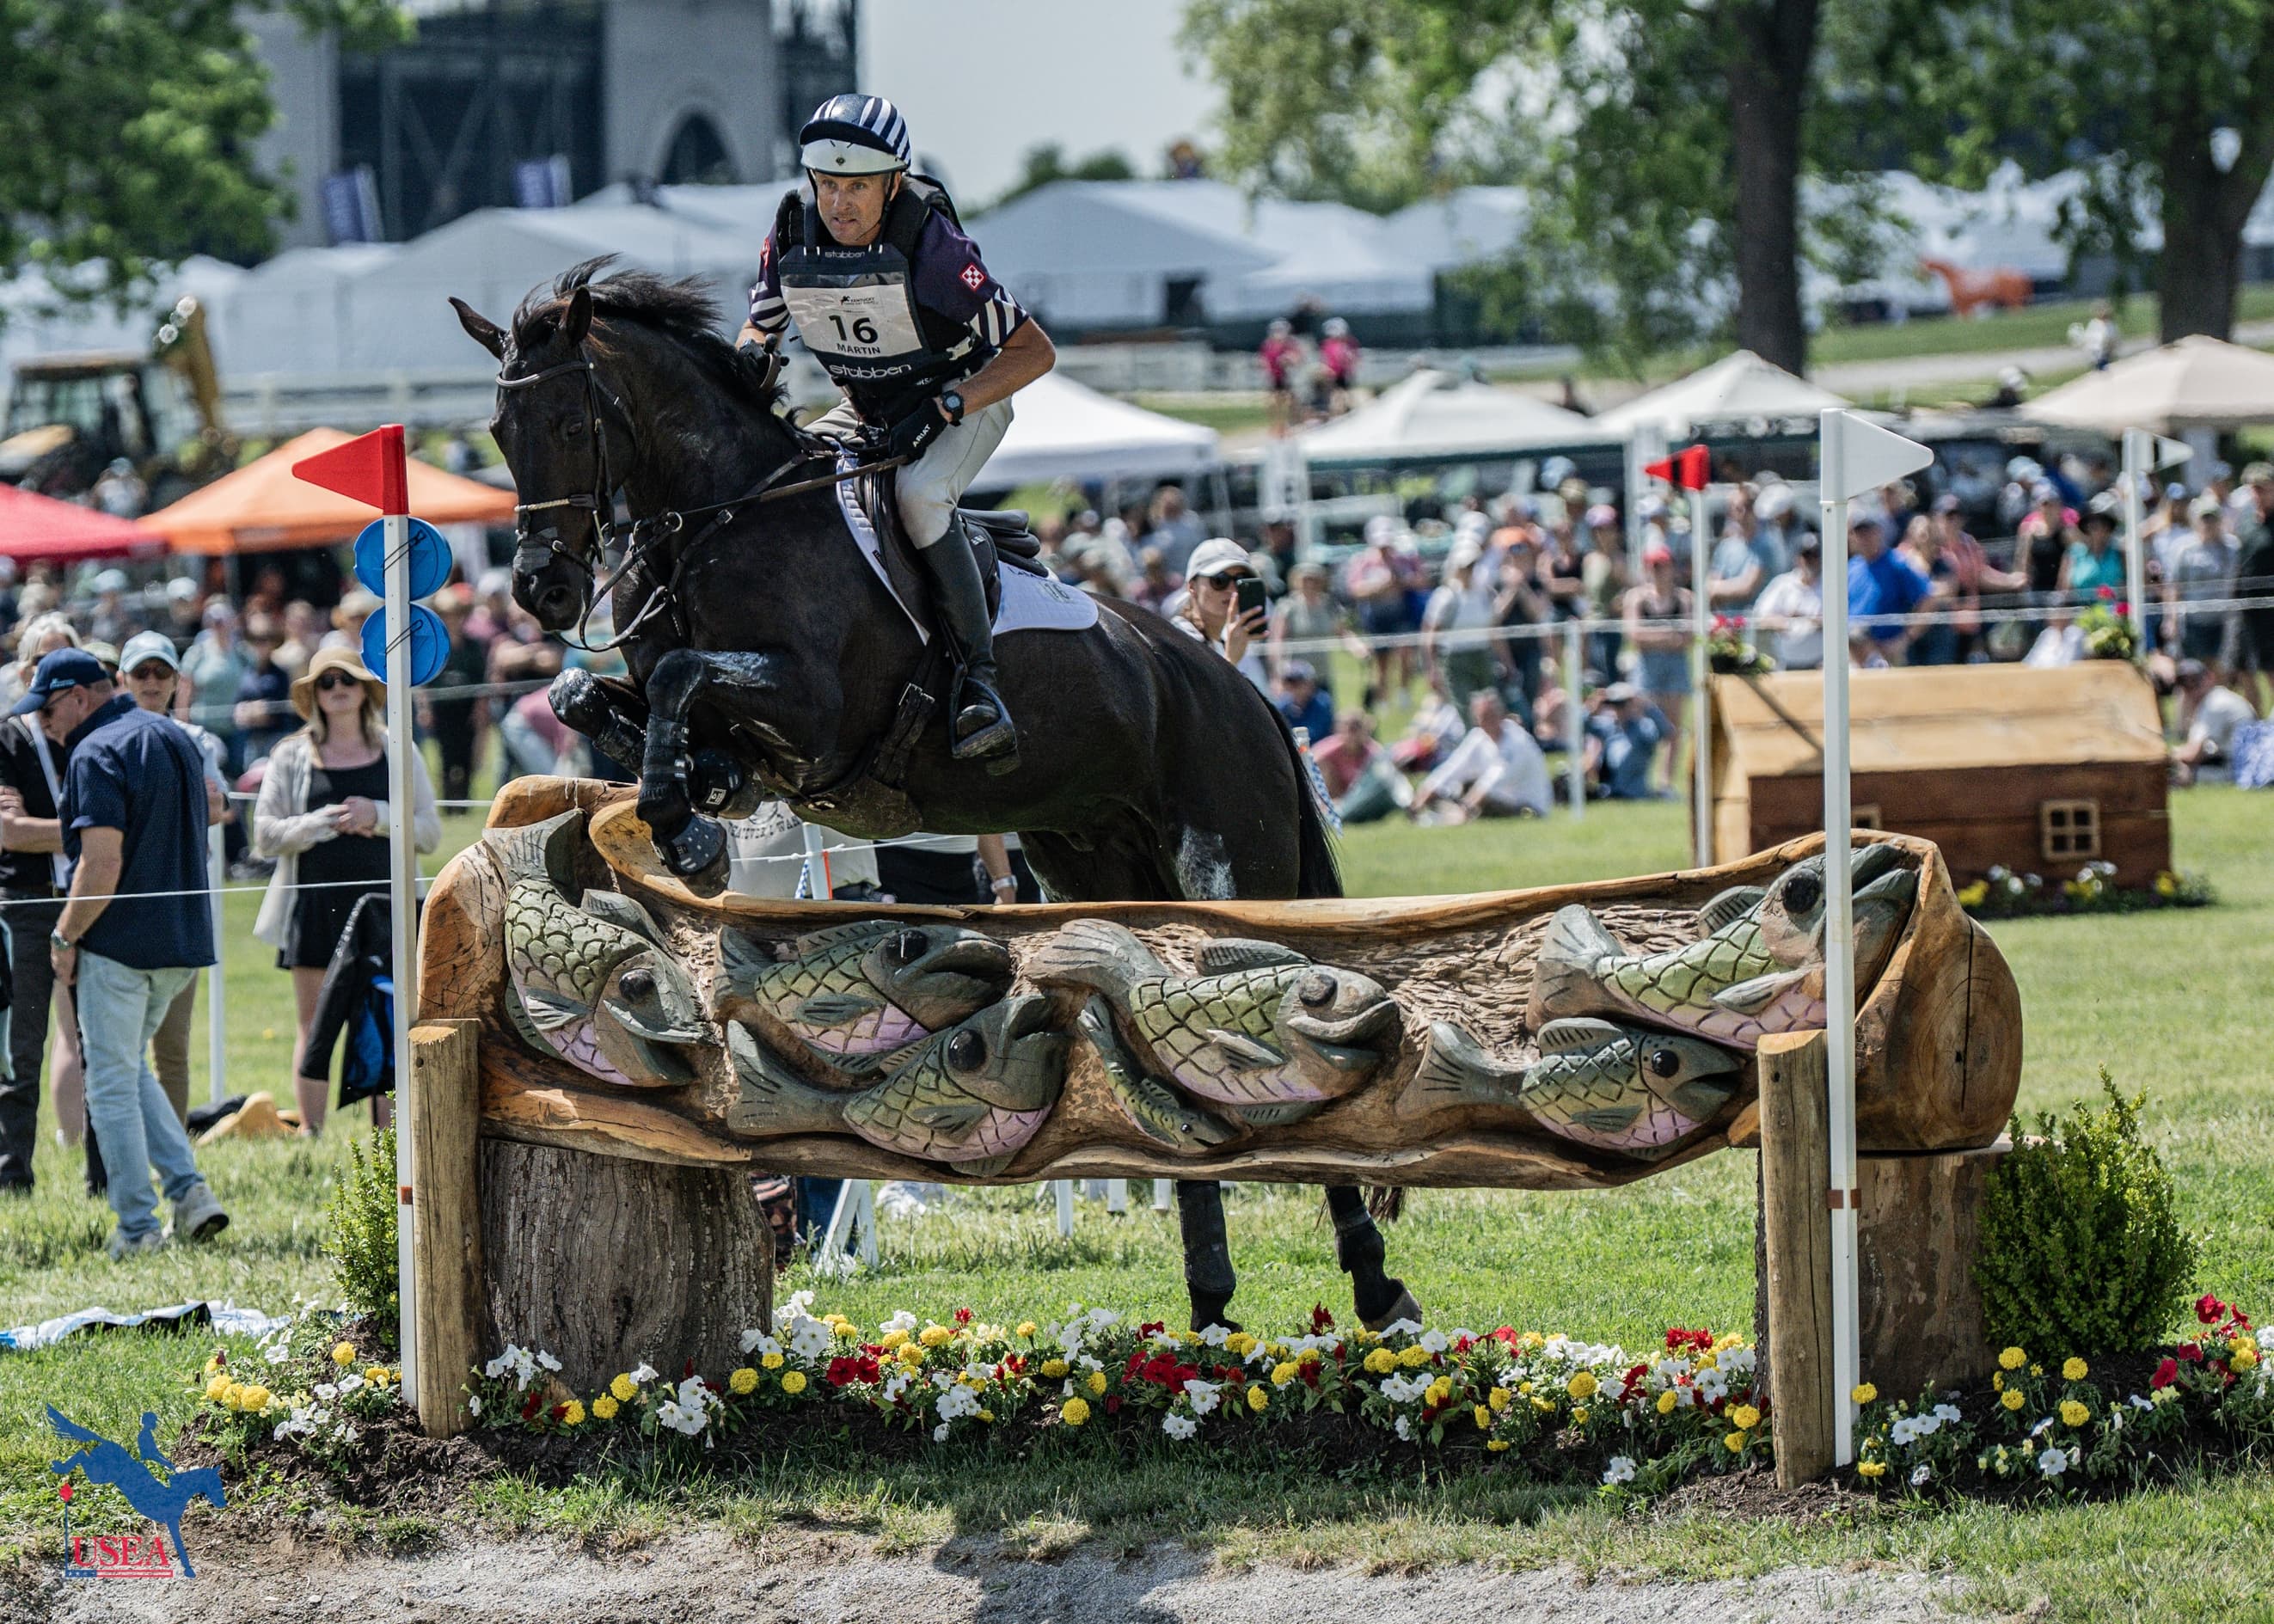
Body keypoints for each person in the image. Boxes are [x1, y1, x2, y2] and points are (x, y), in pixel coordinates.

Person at [739, 93, 1056, 763]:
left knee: (916, 497)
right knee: (786, 485)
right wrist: (749, 356)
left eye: (856, 186)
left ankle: (979, 681)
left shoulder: (935, 249)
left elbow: (1034, 352)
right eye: (826, 184)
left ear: (892, 183)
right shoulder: (792, 230)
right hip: (867, 403)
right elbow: (759, 326)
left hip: (962, 398)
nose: (839, 204)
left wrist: (946, 407)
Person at [17, 647, 227, 1256]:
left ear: (81, 698)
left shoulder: (93, 751)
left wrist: (65, 933)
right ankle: (190, 1194)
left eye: (49, 708)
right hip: (183, 941)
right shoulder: (176, 736)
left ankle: (137, 1228)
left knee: (108, 1081)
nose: (45, 723)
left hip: (121, 944)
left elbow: (100, 865)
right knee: (129, 1066)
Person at [252, 647, 438, 1135]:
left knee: (386, 1018)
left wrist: (376, 816)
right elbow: (264, 835)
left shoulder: (399, 749)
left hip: (386, 909)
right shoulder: (290, 755)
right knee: (313, 1026)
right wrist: (318, 823)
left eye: (347, 680)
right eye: (326, 682)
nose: (337, 689)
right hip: (314, 906)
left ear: (364, 691)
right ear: (313, 693)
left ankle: (389, 1142)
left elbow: (430, 832)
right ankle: (311, 1136)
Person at [116, 632, 229, 1129]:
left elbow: (218, 807)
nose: (152, 682)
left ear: (178, 681)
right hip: (121, 908)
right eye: (142, 673)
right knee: (118, 1049)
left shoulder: (198, 741)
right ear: (123, 680)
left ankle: (176, 1151)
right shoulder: (107, 740)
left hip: (182, 906)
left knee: (174, 1049)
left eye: (162, 673)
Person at [0, 615, 89, 1189]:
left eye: (62, 662)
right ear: (26, 670)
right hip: (28, 903)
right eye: (39, 663)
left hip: (91, 898)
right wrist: (90, 831)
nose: (47, 676)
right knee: (21, 1050)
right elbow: (9, 833)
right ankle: (13, 1177)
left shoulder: (94, 733)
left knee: (101, 1044)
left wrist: (49, 829)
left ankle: (104, 1177)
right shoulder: (8, 734)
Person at [1408, 689, 1552, 821]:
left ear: (1501, 715)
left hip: (1527, 808)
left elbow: (1494, 781)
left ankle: (1454, 815)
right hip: (1494, 800)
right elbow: (1453, 768)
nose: (1487, 722)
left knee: (1474, 794)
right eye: (1482, 717)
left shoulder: (1517, 742)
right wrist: (1425, 792)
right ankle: (1440, 813)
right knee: (1453, 789)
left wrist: (1466, 808)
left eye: (1490, 717)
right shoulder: (1479, 737)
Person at [1623, 543, 1692, 794]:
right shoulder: (1636, 598)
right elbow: (1634, 635)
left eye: (1663, 566)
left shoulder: (1684, 598)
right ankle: (1640, 778)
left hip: (1675, 668)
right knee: (1645, 724)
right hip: (1646, 669)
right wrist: (1669, 637)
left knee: (1673, 727)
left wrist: (1654, 637)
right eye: (1654, 567)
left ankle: (1665, 782)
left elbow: (1687, 637)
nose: (1659, 571)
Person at [1172, 538, 1269, 693]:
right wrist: (1230, 661)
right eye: (1219, 580)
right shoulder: (1176, 641)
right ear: (1192, 587)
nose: (1232, 590)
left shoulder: (1235, 641)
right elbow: (1196, 710)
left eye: (1240, 580)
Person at [423, 586, 490, 806]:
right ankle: (448, 799)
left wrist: (481, 709)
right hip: (442, 709)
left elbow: (482, 680)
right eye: (446, 613)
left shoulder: (473, 646)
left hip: (466, 708)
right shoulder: (433, 647)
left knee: (466, 754)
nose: (451, 618)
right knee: (445, 755)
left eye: (455, 613)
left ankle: (465, 798)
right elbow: (426, 680)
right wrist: (425, 708)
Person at [1420, 538, 1500, 714]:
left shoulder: (1484, 593)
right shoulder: (1445, 597)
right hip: (1456, 658)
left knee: (1490, 708)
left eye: (1473, 566)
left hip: (1482, 654)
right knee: (1465, 710)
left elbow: (1493, 630)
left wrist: (1506, 661)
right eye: (1466, 567)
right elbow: (1431, 635)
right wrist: (1432, 669)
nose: (1470, 571)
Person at [1847, 514, 1930, 663]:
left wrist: (1905, 639)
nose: (1864, 538)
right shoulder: (1851, 568)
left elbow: (1927, 600)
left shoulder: (1897, 563)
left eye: (1868, 532)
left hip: (1889, 652)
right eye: (1859, 533)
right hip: (1854, 651)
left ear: (1878, 532)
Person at [2166, 499, 2239, 669]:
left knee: (2220, 669)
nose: (2208, 524)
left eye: (2212, 519)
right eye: (2204, 519)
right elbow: (2175, 587)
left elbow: (2237, 584)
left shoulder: (2232, 547)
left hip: (2223, 621)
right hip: (2193, 621)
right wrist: (2172, 619)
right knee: (2194, 668)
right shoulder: (2184, 549)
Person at [2230, 463, 2274, 715]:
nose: (2258, 495)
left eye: (2263, 489)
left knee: (2271, 669)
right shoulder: (2246, 521)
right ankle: (2255, 722)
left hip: (2270, 610)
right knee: (2242, 668)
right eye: (2254, 489)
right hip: (2245, 608)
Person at [1310, 709, 1403, 824]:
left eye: (1356, 729)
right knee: (1323, 767)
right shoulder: (1328, 750)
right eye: (1348, 729)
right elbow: (1310, 765)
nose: (1352, 734)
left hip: (1362, 798)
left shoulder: (1373, 751)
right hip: (1333, 797)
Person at [2171, 658, 2255, 785]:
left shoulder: (2214, 704)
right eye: (2184, 683)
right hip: (2241, 765)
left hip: (2237, 771)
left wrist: (2169, 756)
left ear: (2210, 677)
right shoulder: (2216, 697)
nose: (2191, 687)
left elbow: (2192, 755)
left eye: (2195, 680)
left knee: (2174, 772)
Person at [1584, 682, 1672, 800]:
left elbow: (1666, 731)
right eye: (1613, 704)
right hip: (1609, 792)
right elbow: (1578, 727)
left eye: (1621, 704)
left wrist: (1648, 707)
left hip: (1635, 793)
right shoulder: (1607, 727)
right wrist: (1591, 709)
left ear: (1631, 704)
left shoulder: (1643, 728)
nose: (1617, 709)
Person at [1750, 534, 1826, 671]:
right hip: (1787, 663)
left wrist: (1809, 619)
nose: (1811, 561)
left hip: (1822, 664)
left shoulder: (1830, 584)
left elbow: (1842, 621)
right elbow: (1760, 616)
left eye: (1815, 556)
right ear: (1797, 559)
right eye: (1806, 556)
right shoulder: (1783, 584)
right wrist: (1785, 622)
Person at [1141, 486, 1207, 584]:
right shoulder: (1154, 526)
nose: (1171, 505)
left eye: (1173, 501)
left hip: (1193, 573)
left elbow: (1202, 545)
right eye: (1167, 502)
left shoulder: (1192, 521)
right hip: (1169, 581)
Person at [1259, 317, 1302, 434]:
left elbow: (1297, 358)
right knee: (1273, 402)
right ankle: (1277, 425)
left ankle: (1291, 423)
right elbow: (1264, 359)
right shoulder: (1268, 345)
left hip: (1288, 376)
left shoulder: (1290, 344)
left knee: (1289, 401)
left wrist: (1289, 360)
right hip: (1274, 376)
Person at [1275, 659, 1334, 743]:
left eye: (1297, 683)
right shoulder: (1282, 707)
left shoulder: (1322, 703)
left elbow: (1317, 734)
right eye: (1289, 682)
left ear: (1310, 683)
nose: (1293, 688)